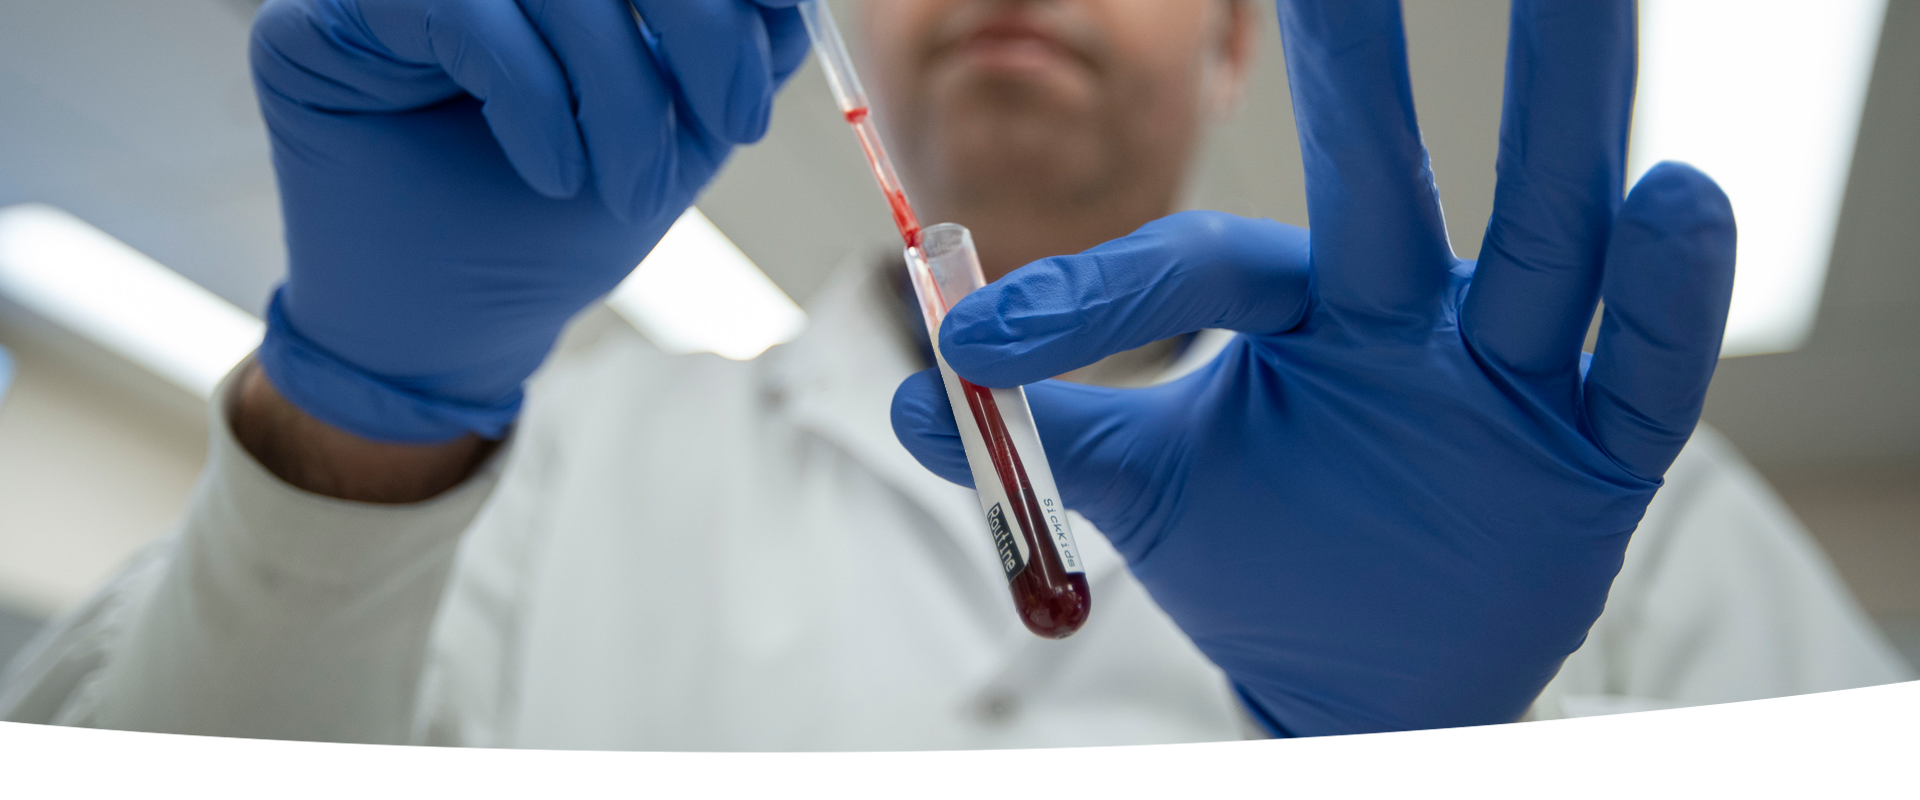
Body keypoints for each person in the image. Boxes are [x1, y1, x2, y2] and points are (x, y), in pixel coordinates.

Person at [0, 0, 1910, 748]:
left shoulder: (1590, 500)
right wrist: (361, 421)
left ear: (1243, 43)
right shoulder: (570, 462)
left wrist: (1438, 776)